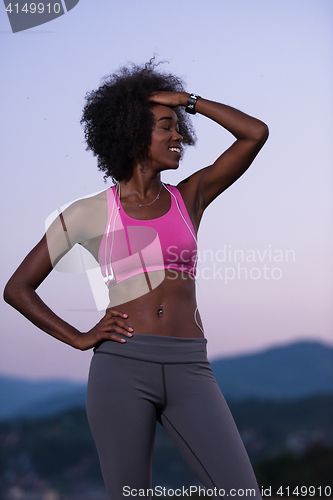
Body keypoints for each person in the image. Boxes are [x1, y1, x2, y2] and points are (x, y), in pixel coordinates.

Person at [4, 61, 269, 499]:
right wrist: (77, 337)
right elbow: (17, 288)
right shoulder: (89, 212)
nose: (178, 135)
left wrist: (186, 101)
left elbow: (254, 133)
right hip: (121, 368)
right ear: (131, 133)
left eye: (178, 125)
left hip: (190, 367)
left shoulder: (190, 198)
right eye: (166, 126)